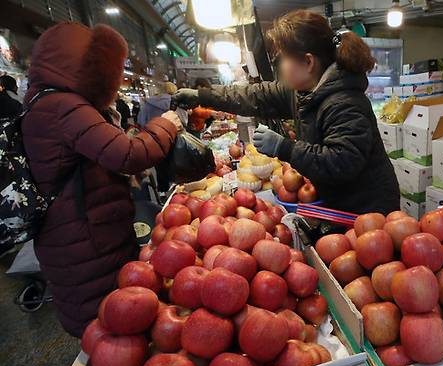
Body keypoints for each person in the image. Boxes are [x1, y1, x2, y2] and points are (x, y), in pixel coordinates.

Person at [22, 22, 181, 337]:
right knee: (107, 327)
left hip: (80, 229)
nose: (118, 77)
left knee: (114, 321)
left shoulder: (48, 102)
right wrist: (166, 125)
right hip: (83, 237)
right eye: (111, 68)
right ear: (84, 65)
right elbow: (129, 154)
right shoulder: (63, 107)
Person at [174, 10, 399, 215]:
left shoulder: (345, 103)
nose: (280, 66)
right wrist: (201, 96)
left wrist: (285, 148)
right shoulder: (302, 91)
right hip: (337, 203)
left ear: (308, 62)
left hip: (368, 210)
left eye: (283, 58)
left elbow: (341, 162)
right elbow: (254, 95)